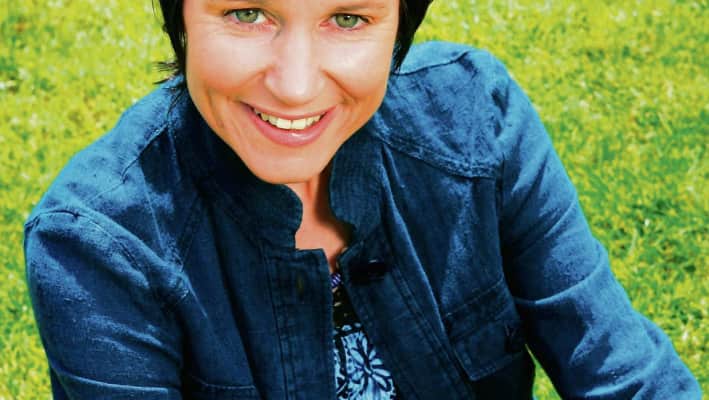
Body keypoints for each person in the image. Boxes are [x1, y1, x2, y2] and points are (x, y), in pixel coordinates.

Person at [23, 0, 701, 399]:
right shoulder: (97, 246)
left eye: (347, 18)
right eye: (246, 13)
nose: (294, 86)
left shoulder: (476, 120)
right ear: (182, 19)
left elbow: (622, 372)